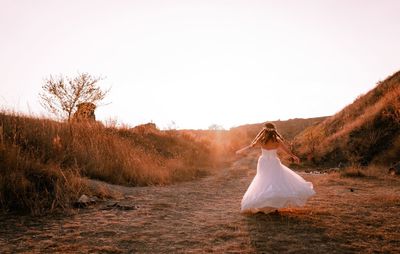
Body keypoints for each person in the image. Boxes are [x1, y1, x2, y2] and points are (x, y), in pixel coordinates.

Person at [236, 123, 315, 214]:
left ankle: (265, 205)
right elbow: (286, 151)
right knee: (275, 181)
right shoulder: (277, 141)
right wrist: (294, 156)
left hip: (264, 162)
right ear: (274, 131)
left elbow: (251, 146)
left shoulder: (261, 140)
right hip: (273, 162)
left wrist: (241, 150)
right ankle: (274, 206)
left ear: (264, 131)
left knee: (263, 181)